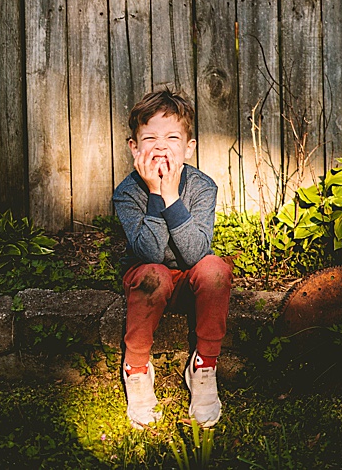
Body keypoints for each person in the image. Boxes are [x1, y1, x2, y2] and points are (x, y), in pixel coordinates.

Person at [112, 87, 231, 429]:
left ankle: (204, 368)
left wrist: (171, 196)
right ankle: (136, 369)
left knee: (215, 269)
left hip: (190, 274)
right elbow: (149, 252)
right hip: (148, 278)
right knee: (154, 273)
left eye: (172, 137)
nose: (161, 145)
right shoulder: (127, 192)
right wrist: (155, 193)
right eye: (149, 137)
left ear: (189, 147)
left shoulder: (202, 187)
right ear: (134, 147)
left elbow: (195, 252)